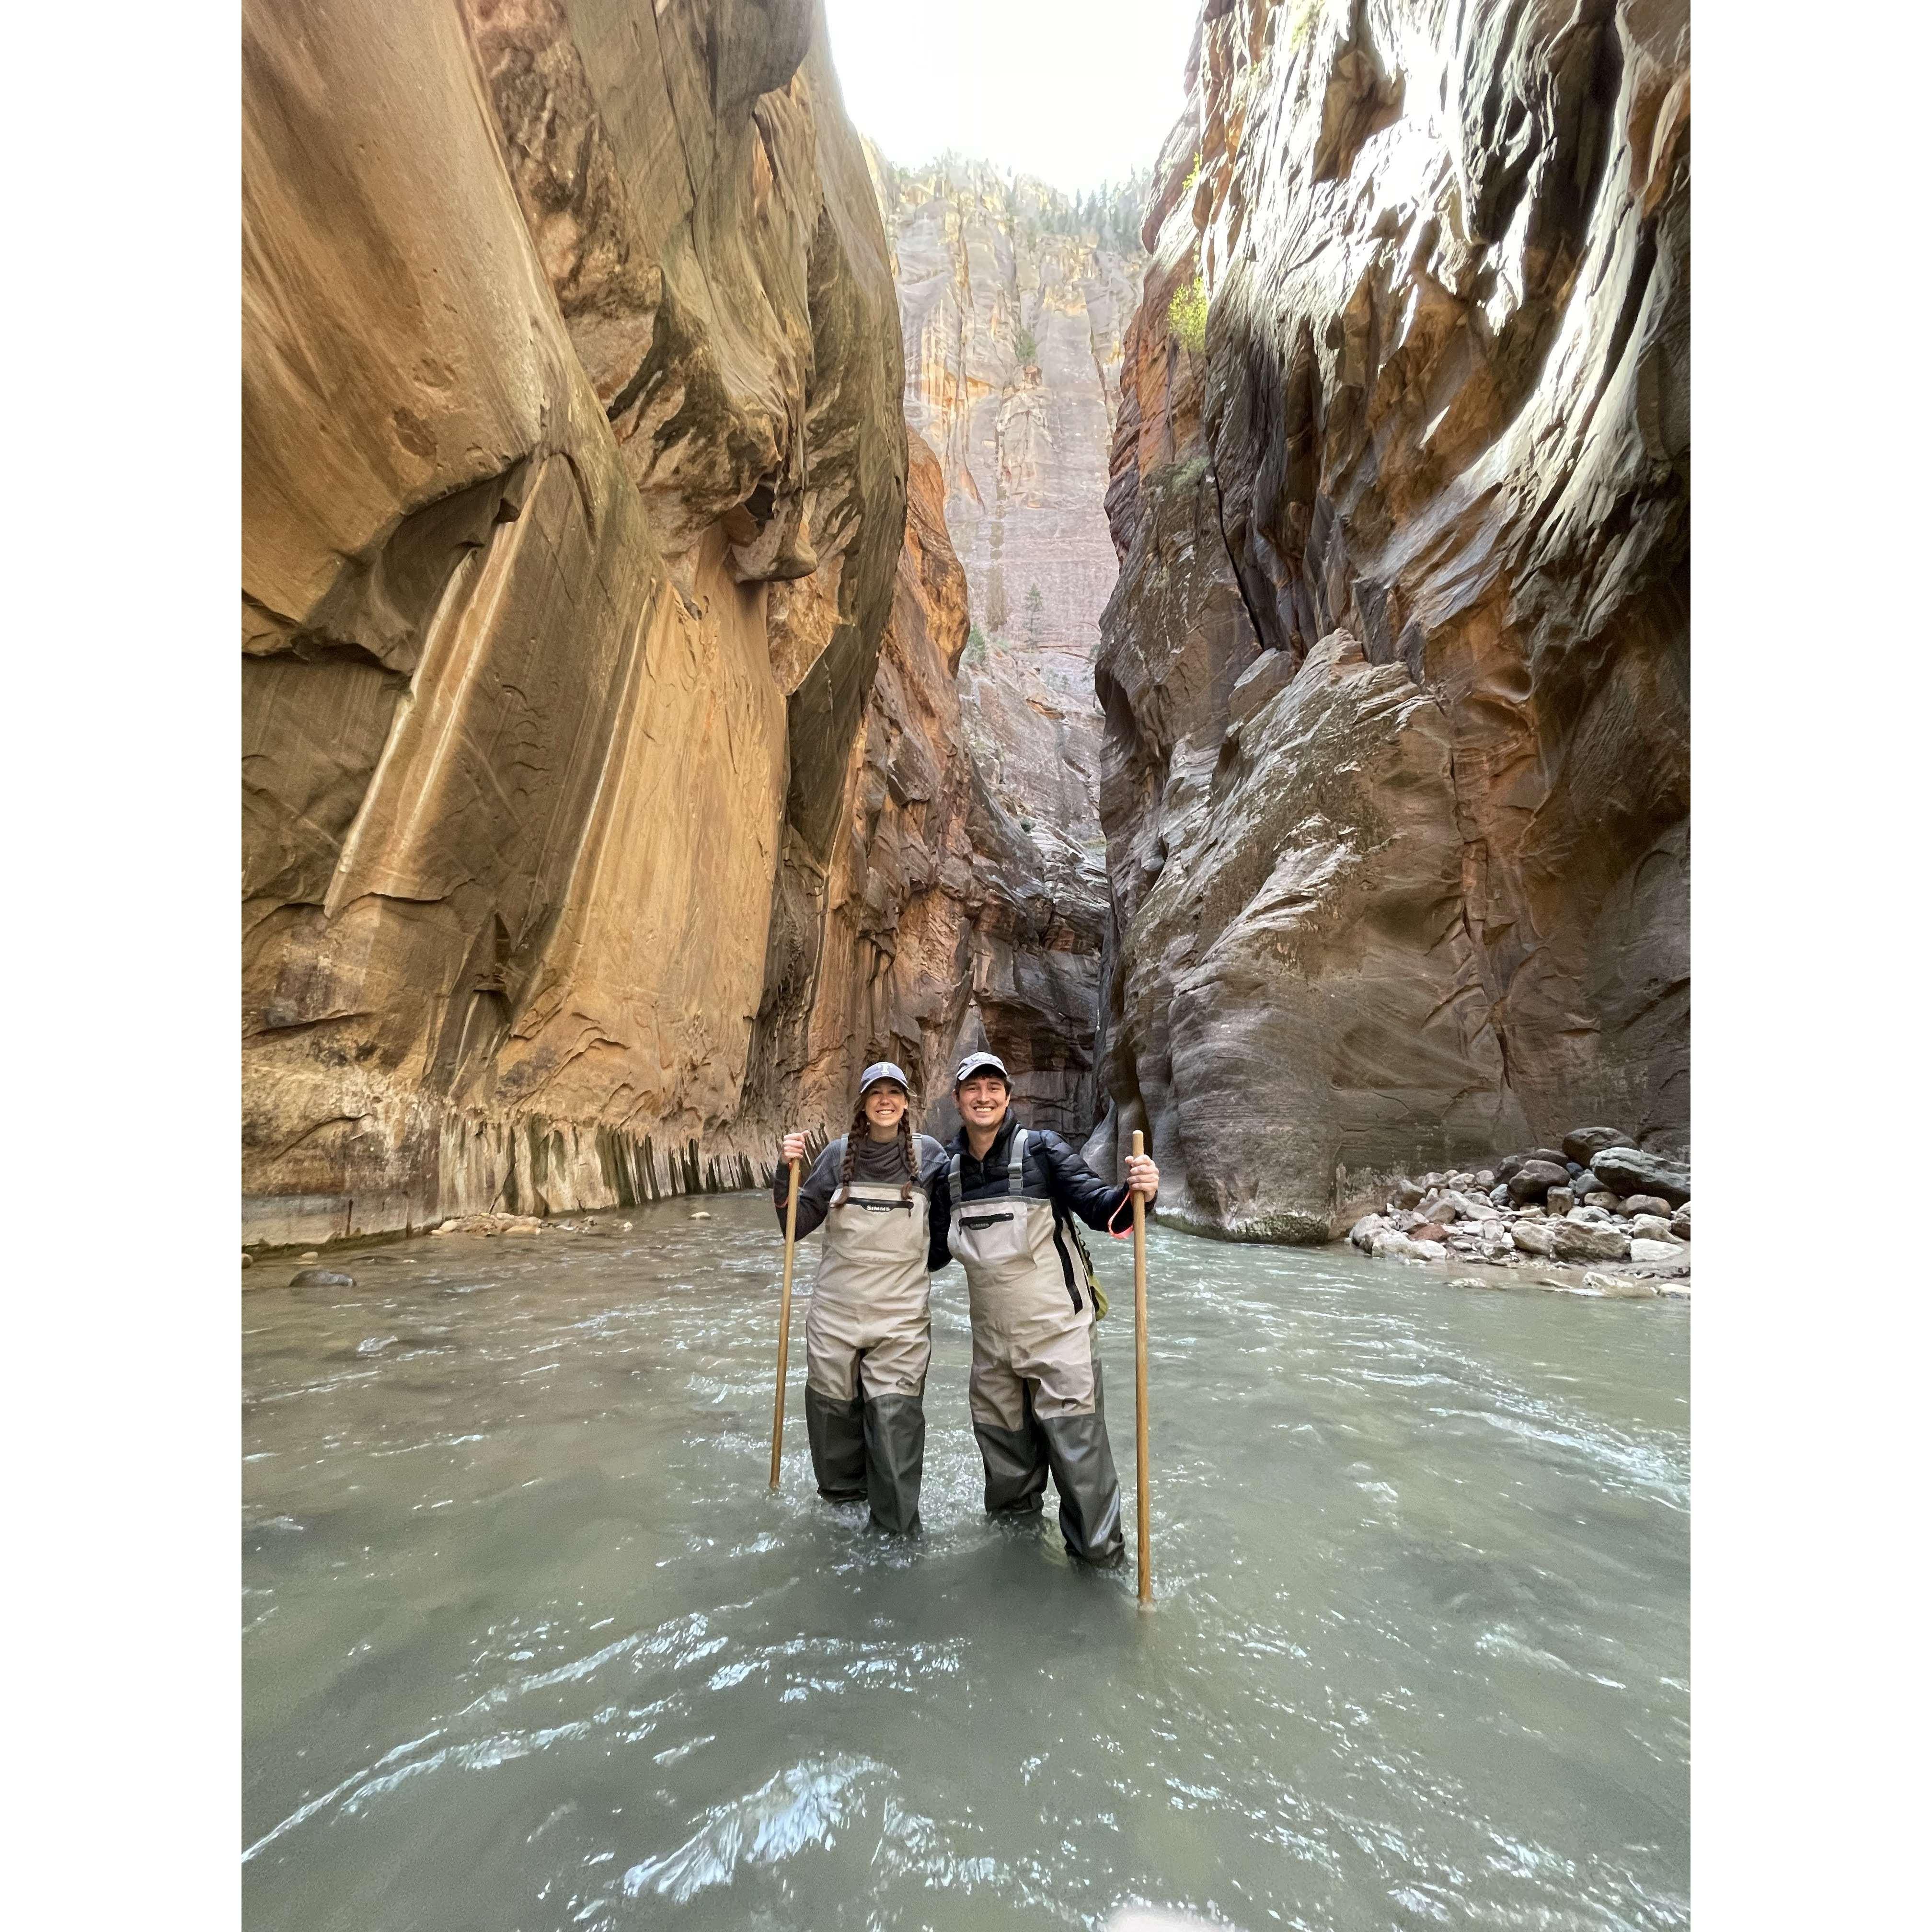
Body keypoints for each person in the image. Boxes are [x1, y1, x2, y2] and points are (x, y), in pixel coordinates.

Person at [933, 1051, 1160, 1567]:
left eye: (994, 1088)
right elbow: (929, 1254)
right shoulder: (948, 1173)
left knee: (1083, 1475)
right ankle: (1020, 1578)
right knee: (1008, 1483)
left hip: (1061, 1342)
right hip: (992, 1354)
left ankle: (1101, 1579)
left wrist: (1138, 1192)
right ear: (958, 1100)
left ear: (1008, 1097)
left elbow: (1105, 1212)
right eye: (973, 1089)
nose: (983, 1097)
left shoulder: (1043, 1151)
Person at [775, 1062, 949, 1535]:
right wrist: (783, 1172)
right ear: (863, 1103)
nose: (886, 1100)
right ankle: (841, 1521)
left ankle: (895, 1532)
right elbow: (796, 1226)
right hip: (836, 1315)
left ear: (907, 1103)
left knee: (894, 1424)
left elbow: (942, 1241)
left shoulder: (930, 1158)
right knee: (833, 1420)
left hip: (900, 1320)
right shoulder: (836, 1157)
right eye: (876, 1093)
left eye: (895, 1093)